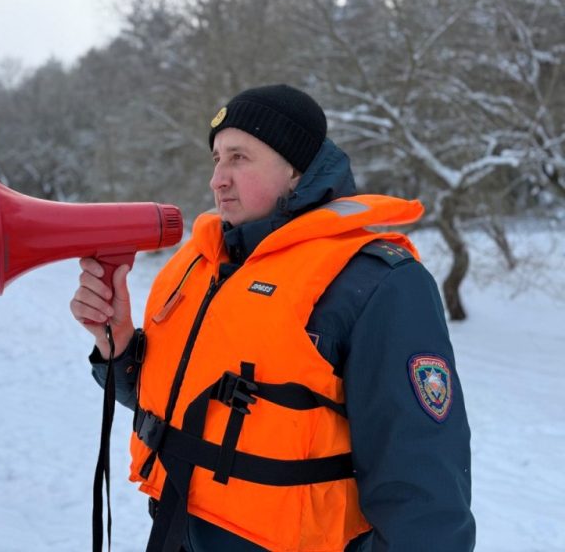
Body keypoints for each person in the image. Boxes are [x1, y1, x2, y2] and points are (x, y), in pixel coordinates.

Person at [70, 85, 475, 551]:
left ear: (295, 170)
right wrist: (117, 344)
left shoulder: (376, 282)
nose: (218, 179)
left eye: (239, 158)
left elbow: (425, 498)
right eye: (216, 159)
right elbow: (166, 404)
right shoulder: (203, 263)